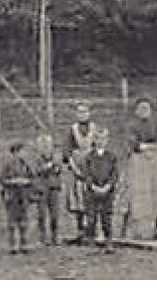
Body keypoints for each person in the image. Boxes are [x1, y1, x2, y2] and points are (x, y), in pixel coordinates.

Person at [124, 98, 157, 241]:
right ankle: (139, 228)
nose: (145, 111)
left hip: (154, 158)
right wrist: (146, 147)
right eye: (141, 108)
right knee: (140, 191)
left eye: (147, 108)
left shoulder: (155, 123)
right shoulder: (132, 125)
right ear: (136, 111)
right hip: (139, 159)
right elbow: (133, 143)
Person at [63, 102, 98, 242]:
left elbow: (99, 146)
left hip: (92, 166)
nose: (82, 114)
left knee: (92, 197)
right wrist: (73, 166)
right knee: (77, 198)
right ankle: (80, 229)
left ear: (89, 113)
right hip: (77, 165)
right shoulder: (73, 130)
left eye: (85, 111)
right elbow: (67, 150)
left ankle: (92, 229)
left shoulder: (94, 128)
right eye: (79, 112)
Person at [82, 126, 119, 251]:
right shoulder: (89, 157)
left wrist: (108, 186)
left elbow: (114, 174)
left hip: (107, 191)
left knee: (106, 217)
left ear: (107, 140)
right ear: (94, 140)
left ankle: (108, 241)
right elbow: (86, 174)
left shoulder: (111, 156)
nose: (100, 141)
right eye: (97, 138)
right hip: (92, 191)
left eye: (103, 139)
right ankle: (91, 242)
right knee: (91, 217)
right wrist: (93, 186)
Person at [0, 141, 36, 254]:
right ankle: (12, 244)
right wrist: (12, 182)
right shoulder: (7, 165)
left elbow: (33, 178)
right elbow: (1, 179)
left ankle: (24, 242)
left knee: (24, 219)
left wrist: (27, 182)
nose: (24, 154)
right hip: (12, 194)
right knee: (12, 220)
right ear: (15, 152)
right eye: (21, 152)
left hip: (23, 195)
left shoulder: (26, 165)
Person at [32, 133, 64, 246]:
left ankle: (55, 236)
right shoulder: (36, 158)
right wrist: (49, 167)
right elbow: (38, 171)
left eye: (48, 145)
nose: (46, 148)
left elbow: (59, 169)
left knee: (55, 214)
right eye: (43, 145)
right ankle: (42, 237)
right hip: (41, 188)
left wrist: (54, 166)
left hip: (53, 187)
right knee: (41, 214)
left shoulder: (56, 157)